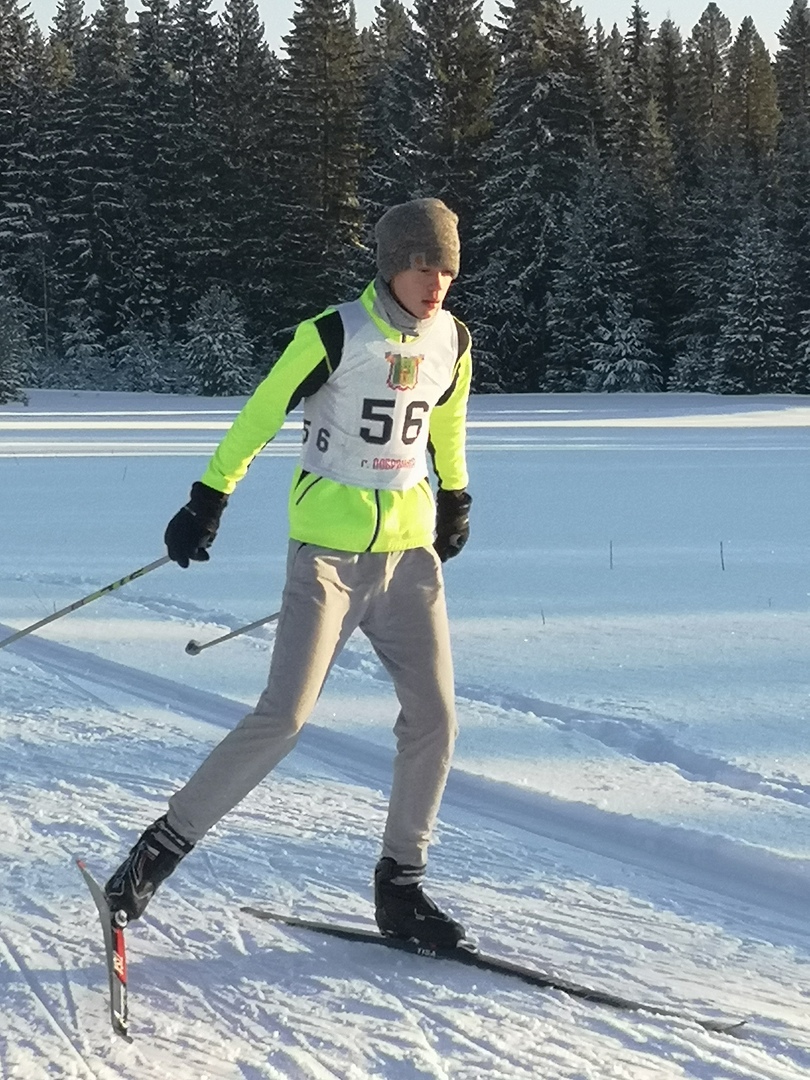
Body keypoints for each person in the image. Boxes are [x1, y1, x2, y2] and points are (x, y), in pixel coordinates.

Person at [104, 198, 473, 949]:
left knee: (434, 721)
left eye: (445, 268)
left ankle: (401, 888)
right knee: (284, 718)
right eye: (420, 264)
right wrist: (208, 497)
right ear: (392, 264)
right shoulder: (334, 333)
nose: (434, 282)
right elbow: (261, 414)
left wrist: (456, 494)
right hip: (328, 562)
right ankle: (154, 855)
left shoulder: (454, 341)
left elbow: (445, 421)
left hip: (408, 560)